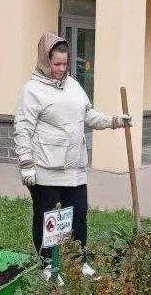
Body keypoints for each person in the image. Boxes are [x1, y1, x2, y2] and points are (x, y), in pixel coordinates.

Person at [14, 32, 130, 281]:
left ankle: (79, 262)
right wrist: (26, 164)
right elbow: (23, 128)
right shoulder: (32, 90)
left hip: (75, 168)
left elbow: (88, 115)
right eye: (56, 64)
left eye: (65, 64)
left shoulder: (74, 86)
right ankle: (48, 266)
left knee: (79, 216)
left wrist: (114, 121)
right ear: (45, 61)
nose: (61, 69)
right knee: (48, 219)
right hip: (45, 169)